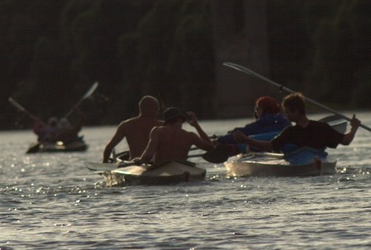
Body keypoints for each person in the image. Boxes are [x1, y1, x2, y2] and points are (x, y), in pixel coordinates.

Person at [233, 92, 361, 154]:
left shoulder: (290, 132)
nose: (285, 115)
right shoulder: (322, 127)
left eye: (287, 112)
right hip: (317, 161)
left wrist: (246, 140)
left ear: (296, 111)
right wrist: (354, 127)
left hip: (304, 165)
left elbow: (270, 146)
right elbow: (346, 140)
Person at [133, 107, 214, 166]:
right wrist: (197, 126)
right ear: (180, 119)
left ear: (166, 121)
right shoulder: (190, 135)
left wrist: (139, 160)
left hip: (160, 168)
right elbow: (210, 147)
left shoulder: (157, 131)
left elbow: (148, 156)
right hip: (182, 169)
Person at [102, 95, 164, 162]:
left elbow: (109, 148)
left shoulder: (126, 125)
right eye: (157, 109)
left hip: (134, 164)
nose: (158, 113)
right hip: (156, 165)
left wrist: (105, 163)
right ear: (152, 109)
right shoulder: (163, 125)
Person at [216, 96, 290, 146]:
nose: (256, 111)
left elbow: (238, 135)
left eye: (257, 108)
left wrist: (218, 140)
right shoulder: (286, 121)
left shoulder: (257, 126)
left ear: (262, 109)